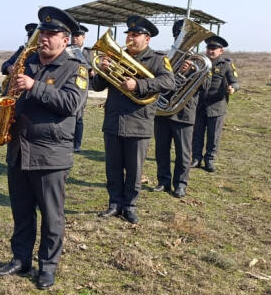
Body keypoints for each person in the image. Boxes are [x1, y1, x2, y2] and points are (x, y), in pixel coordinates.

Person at [0, 7, 87, 289]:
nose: (44, 38)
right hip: (20, 149)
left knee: (51, 215)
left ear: (65, 39)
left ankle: (47, 266)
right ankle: (20, 258)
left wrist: (35, 86)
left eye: (51, 34)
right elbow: (10, 93)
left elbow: (72, 104)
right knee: (21, 211)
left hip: (50, 154)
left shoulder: (76, 68)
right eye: (42, 32)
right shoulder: (28, 61)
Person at [91, 15, 176, 224]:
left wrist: (139, 86)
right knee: (113, 166)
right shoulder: (116, 56)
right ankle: (114, 203)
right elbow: (97, 86)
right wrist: (102, 70)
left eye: (135, 35)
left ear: (147, 39)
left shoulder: (157, 59)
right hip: (113, 120)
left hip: (139, 122)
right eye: (128, 34)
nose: (130, 38)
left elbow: (169, 81)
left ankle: (129, 206)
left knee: (134, 169)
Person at [152, 20, 201, 198]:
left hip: (184, 113)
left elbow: (206, 85)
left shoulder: (200, 62)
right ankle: (163, 181)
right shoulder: (165, 59)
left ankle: (180, 184)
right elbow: (160, 82)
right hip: (163, 112)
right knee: (161, 149)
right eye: (179, 37)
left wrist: (193, 71)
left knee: (183, 153)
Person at [191, 35, 239, 172]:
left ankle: (209, 160)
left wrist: (233, 88)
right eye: (209, 48)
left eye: (214, 49)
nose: (211, 51)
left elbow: (235, 81)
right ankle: (196, 158)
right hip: (199, 105)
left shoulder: (226, 64)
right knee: (197, 134)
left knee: (213, 136)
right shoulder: (200, 62)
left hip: (217, 106)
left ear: (221, 51)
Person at [67, 24, 92, 152]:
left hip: (82, 89)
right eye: (73, 36)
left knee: (79, 117)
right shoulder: (66, 50)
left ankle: (77, 144)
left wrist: (92, 72)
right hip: (67, 87)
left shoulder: (89, 53)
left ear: (83, 37)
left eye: (77, 36)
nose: (74, 38)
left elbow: (94, 71)